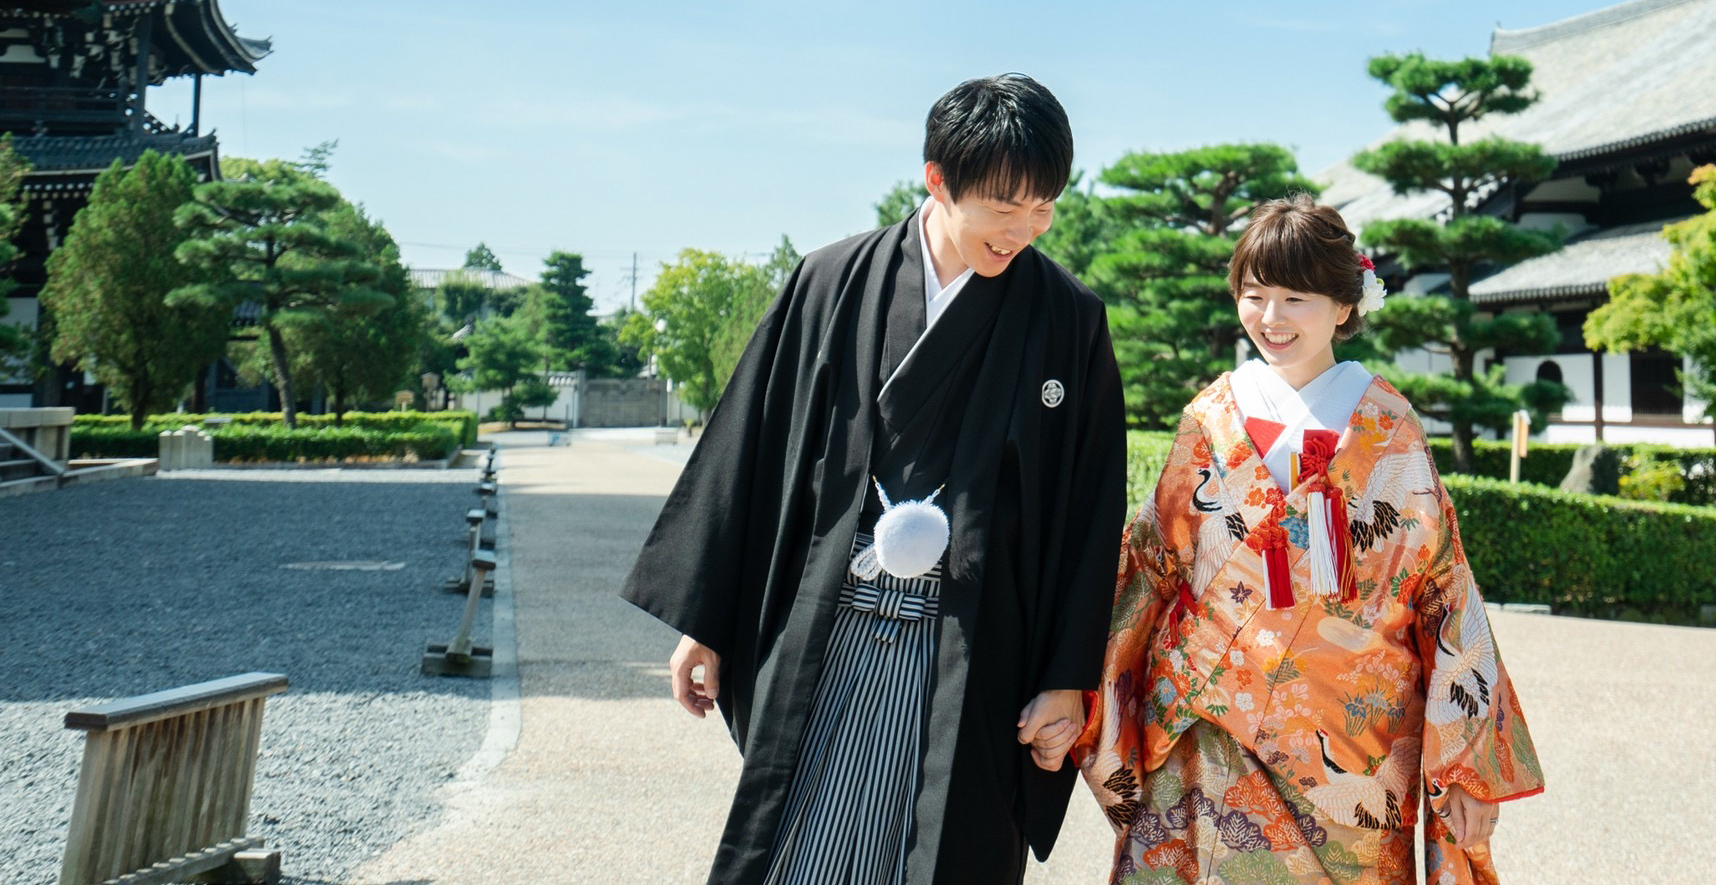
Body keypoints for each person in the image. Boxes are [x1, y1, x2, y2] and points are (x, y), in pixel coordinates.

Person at [622, 74, 1128, 885]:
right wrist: (706, 620)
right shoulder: (831, 281)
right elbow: (750, 449)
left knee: (945, 853)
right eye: (1005, 207)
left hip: (972, 642)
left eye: (1045, 207)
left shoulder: (1069, 319)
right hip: (827, 617)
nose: (1026, 229)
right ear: (937, 179)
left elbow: (1090, 510)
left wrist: (1066, 679)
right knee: (796, 848)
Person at [1078, 194, 1543, 884]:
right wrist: (1075, 686)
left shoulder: (1387, 425)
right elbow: (1146, 567)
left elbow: (1444, 589)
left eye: (1294, 297)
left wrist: (1466, 768)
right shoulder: (1212, 415)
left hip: (1352, 743)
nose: (1270, 318)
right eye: (1254, 294)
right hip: (1210, 725)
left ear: (1345, 305)